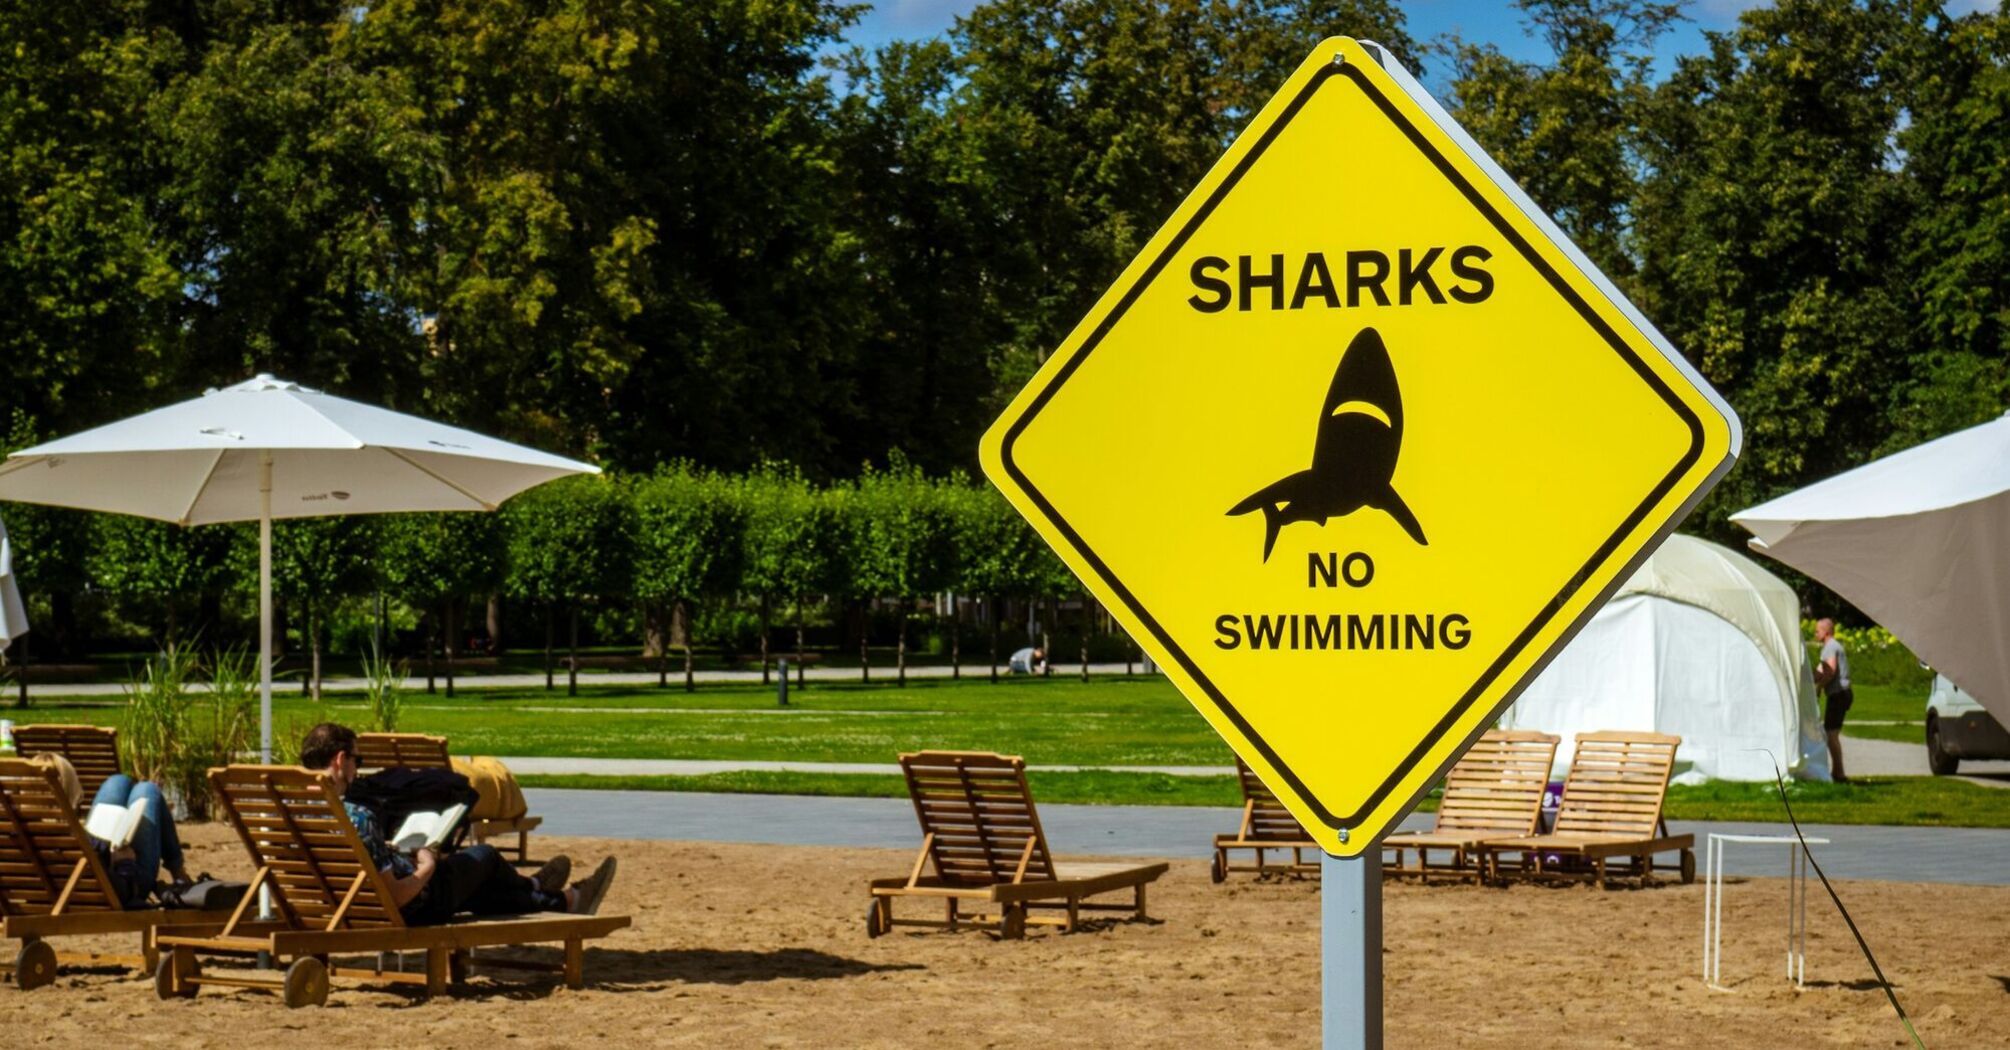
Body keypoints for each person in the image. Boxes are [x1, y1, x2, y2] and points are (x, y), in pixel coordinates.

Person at [298, 723, 616, 924]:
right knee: (486, 857)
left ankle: (562, 899)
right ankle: (539, 888)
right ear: (340, 760)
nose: (357, 768)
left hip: (336, 906)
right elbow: (396, 897)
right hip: (407, 907)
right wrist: (426, 865)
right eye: (357, 760)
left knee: (478, 890)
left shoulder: (289, 813)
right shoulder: (357, 817)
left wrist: (392, 854)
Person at [88, 770, 196, 907]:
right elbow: (119, 891)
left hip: (91, 876)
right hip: (127, 887)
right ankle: (178, 872)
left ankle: (178, 870)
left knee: (117, 781)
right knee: (148, 789)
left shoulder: (59, 836)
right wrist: (125, 863)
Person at [1813, 618, 1853, 783]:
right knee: (1831, 733)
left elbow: (1830, 671)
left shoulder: (1830, 647)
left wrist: (1819, 687)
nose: (1815, 634)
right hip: (1840, 694)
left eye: (1817, 631)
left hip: (1839, 694)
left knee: (1831, 734)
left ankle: (1839, 773)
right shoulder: (1831, 647)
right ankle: (1837, 772)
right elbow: (1820, 670)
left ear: (1826, 632)